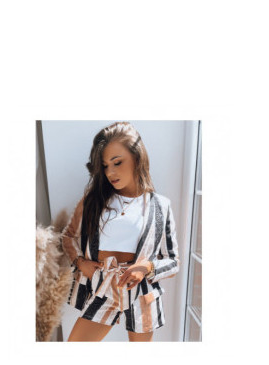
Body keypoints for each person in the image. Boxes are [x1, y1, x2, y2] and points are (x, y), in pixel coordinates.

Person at [61, 121, 180, 342]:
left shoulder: (160, 206)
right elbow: (67, 237)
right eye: (105, 166)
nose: (110, 172)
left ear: (137, 157)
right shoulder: (93, 202)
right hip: (103, 286)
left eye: (117, 162)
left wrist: (146, 267)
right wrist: (80, 262)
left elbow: (173, 261)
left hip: (142, 291)